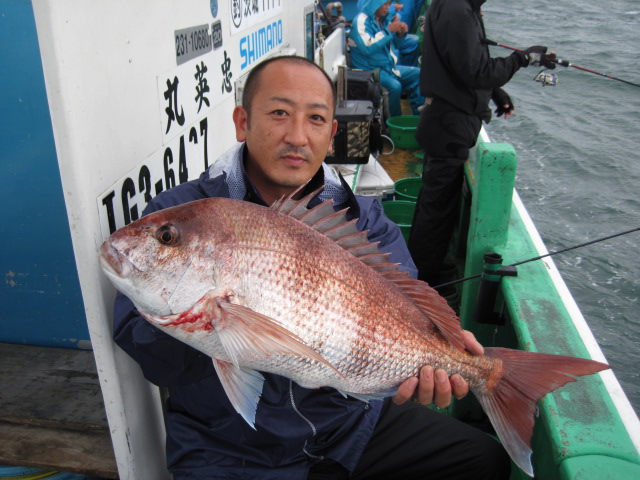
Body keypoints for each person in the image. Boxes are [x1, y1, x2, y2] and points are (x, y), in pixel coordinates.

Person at [112, 55, 510, 479]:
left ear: (332, 134)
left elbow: (408, 311)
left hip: (350, 426)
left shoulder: (365, 220)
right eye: (279, 113)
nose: (297, 136)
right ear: (243, 122)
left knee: (482, 461)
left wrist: (440, 349)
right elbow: (150, 355)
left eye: (316, 119)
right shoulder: (180, 215)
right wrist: (213, 326)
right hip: (228, 446)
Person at [409, 0, 556, 292]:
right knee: (436, 211)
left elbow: (462, 65)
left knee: (436, 206)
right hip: (449, 124)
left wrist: (495, 92)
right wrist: (522, 58)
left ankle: (425, 272)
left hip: (446, 121)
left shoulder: (458, 6)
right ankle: (422, 284)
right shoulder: (457, 8)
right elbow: (476, 71)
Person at [348, 0, 425, 117]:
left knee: (418, 74)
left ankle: (419, 118)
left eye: (389, 4)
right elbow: (367, 47)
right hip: (369, 70)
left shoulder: (382, 20)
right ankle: (392, 123)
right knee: (394, 87)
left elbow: (393, 46)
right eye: (384, 4)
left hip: (387, 67)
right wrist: (388, 31)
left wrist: (400, 35)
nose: (388, 7)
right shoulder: (360, 21)